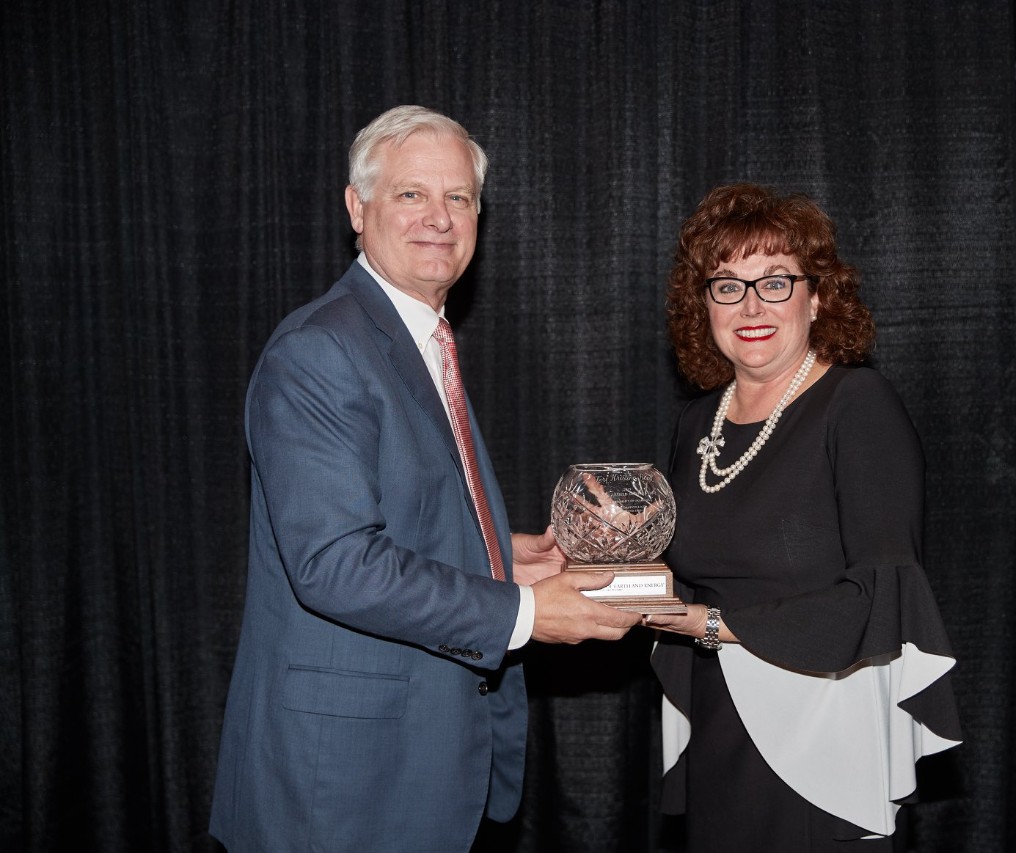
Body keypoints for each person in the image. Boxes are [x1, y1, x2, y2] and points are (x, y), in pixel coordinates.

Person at [209, 105, 641, 853]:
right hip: (342, 790)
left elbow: (388, 510)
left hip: (420, 769)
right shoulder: (321, 351)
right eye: (412, 194)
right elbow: (333, 564)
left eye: (459, 198)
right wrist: (526, 611)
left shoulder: (419, 338)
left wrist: (498, 554)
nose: (439, 218)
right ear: (357, 206)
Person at [645, 183, 963, 850]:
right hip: (720, 720)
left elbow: (879, 596)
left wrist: (710, 622)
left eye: (776, 282)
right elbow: (686, 570)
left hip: (820, 730)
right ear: (702, 305)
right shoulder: (698, 421)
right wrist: (602, 560)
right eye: (727, 285)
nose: (751, 306)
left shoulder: (858, 404)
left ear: (817, 297)